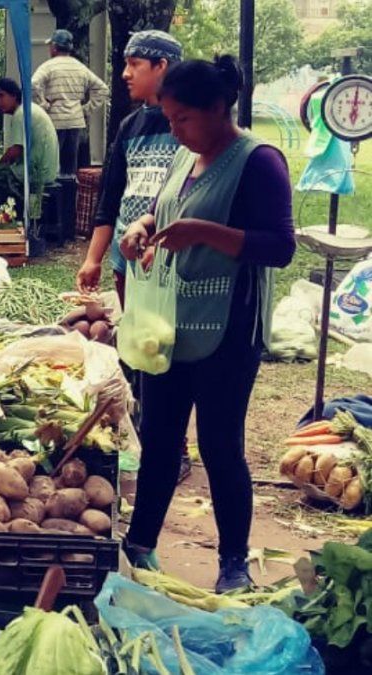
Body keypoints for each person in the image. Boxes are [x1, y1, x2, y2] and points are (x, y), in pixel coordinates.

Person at [119, 56, 295, 592]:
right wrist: (142, 226)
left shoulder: (258, 161)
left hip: (227, 331)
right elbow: (161, 206)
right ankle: (141, 545)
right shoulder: (184, 154)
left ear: (219, 108)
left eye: (183, 118)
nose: (173, 129)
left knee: (221, 447)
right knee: (159, 439)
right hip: (170, 326)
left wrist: (205, 232)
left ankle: (233, 563)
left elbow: (281, 247)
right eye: (169, 118)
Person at [77, 31, 194, 485]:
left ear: (162, 67)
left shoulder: (188, 123)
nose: (125, 74)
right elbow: (110, 199)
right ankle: (141, 439)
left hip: (169, 264)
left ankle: (173, 447)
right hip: (129, 264)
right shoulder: (130, 127)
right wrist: (94, 258)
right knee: (135, 350)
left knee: (167, 354)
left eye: (135, 65)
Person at [31, 29, 109, 175]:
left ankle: (53, 194)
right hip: (75, 120)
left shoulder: (49, 66)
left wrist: (43, 104)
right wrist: (86, 109)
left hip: (55, 120)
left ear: (54, 47)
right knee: (70, 164)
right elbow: (103, 89)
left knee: (52, 161)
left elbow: (33, 84)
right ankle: (70, 194)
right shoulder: (79, 67)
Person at [0, 78, 59, 198]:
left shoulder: (20, 114)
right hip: (50, 171)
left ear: (13, 95)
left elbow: (16, 151)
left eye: (1, 96)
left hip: (36, 174)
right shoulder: (30, 108)